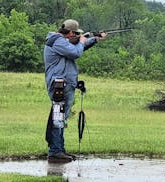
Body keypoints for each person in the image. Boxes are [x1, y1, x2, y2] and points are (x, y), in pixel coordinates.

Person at [44, 19, 106, 163]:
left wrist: (95, 39)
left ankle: (59, 149)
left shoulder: (62, 42)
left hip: (64, 85)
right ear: (71, 32)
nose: (77, 36)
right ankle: (55, 151)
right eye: (76, 34)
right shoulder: (57, 41)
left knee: (60, 118)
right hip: (59, 85)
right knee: (58, 118)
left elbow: (78, 47)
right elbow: (75, 52)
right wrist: (82, 40)